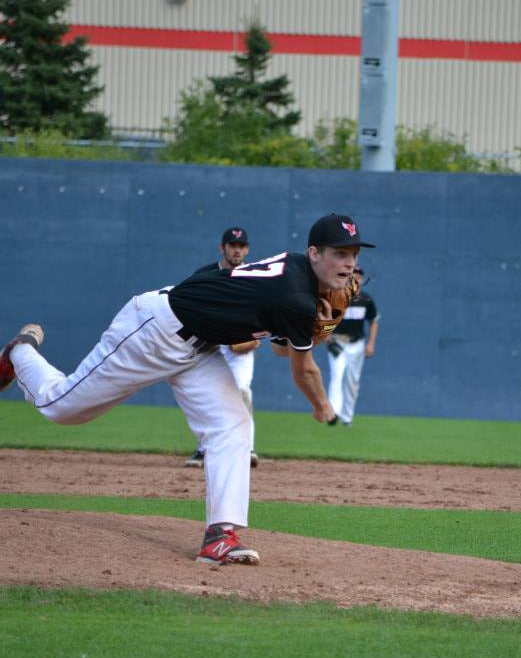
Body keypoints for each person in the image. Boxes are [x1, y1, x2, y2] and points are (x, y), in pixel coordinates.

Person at [0, 213, 375, 566]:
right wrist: (322, 406)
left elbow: (280, 347)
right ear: (314, 253)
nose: (349, 263)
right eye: (339, 253)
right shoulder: (294, 296)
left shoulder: (299, 278)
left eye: (354, 255)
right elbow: (302, 369)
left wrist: (316, 328)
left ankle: (220, 537)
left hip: (202, 348)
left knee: (233, 425)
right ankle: (19, 352)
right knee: (64, 409)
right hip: (155, 332)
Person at [185, 226, 259, 470]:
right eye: (232, 245)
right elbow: (189, 306)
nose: (237, 250)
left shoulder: (255, 277)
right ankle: (204, 448)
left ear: (247, 249)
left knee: (242, 389)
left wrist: (252, 339)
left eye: (241, 246)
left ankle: (247, 448)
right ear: (222, 248)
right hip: (211, 345)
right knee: (206, 396)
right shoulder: (205, 275)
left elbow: (262, 317)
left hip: (240, 346)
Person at [326, 266, 380, 426]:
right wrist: (326, 336)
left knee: (352, 381)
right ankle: (333, 413)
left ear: (362, 280)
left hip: (357, 344)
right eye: (352, 276)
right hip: (338, 342)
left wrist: (371, 344)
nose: (355, 279)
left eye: (358, 276)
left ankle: (347, 418)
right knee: (336, 376)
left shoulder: (366, 300)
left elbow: (374, 321)